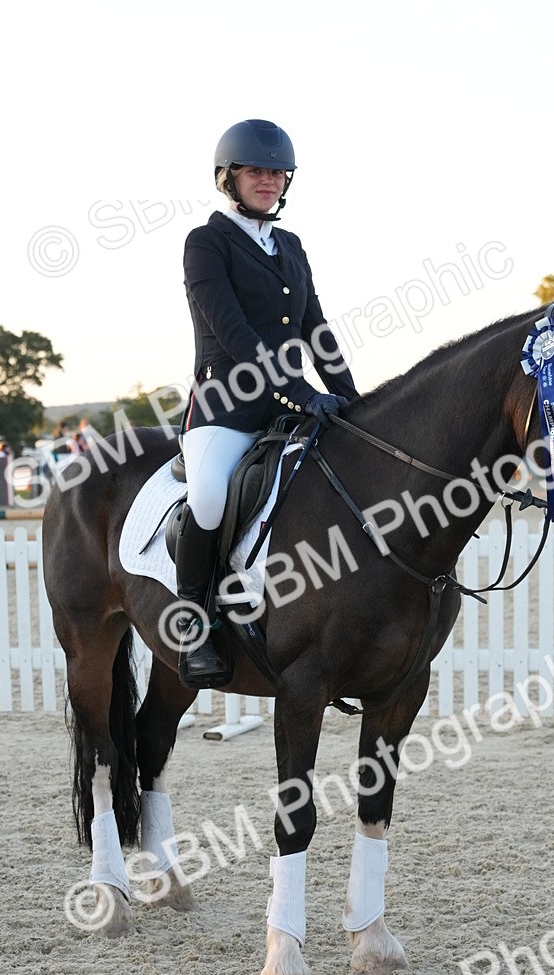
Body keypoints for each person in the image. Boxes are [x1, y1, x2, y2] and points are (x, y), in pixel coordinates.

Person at [176, 118, 359, 689]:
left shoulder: (291, 247)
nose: (269, 180)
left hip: (289, 410)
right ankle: (195, 625)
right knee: (208, 496)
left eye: (278, 172)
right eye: (256, 170)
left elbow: (316, 330)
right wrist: (303, 392)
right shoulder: (206, 243)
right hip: (226, 409)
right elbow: (232, 331)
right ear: (228, 178)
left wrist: (353, 398)